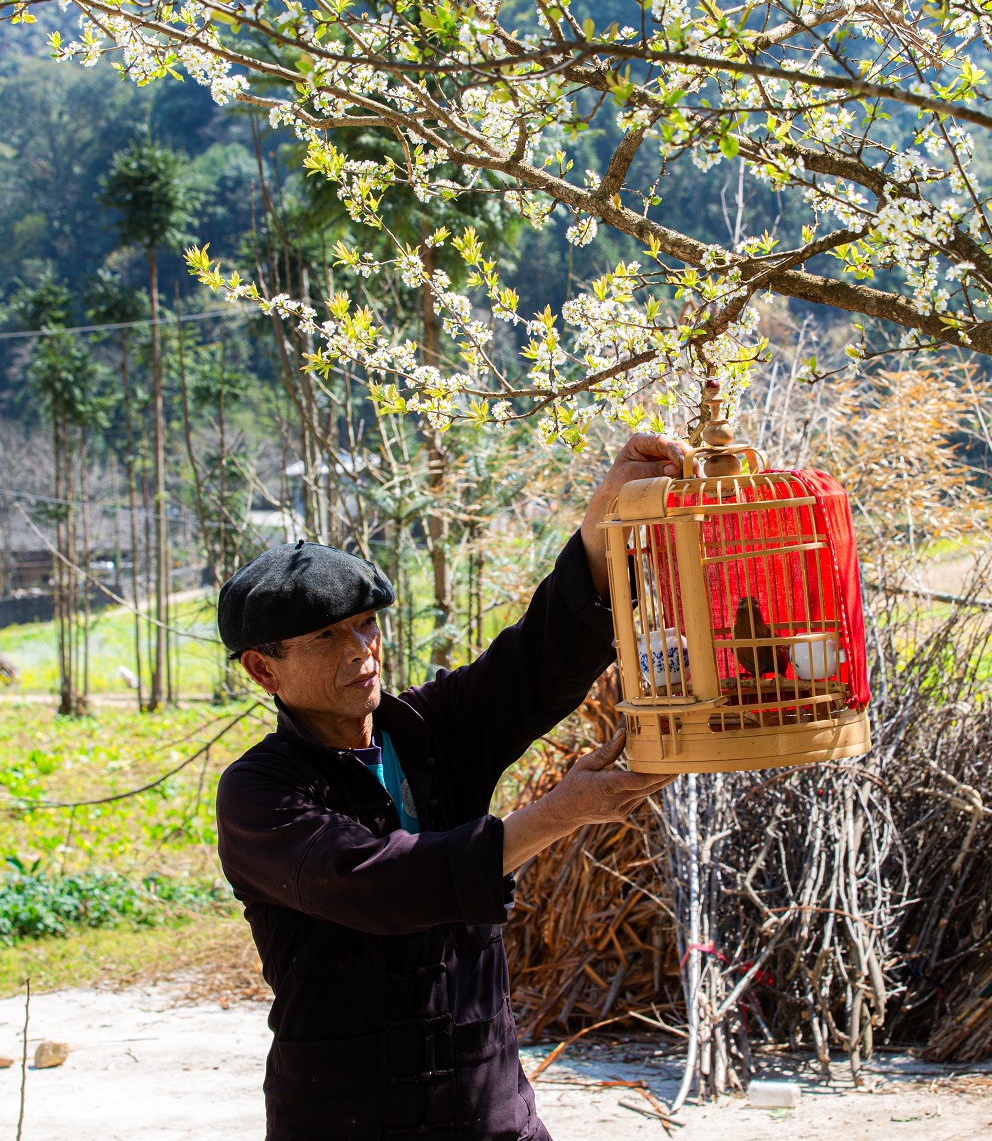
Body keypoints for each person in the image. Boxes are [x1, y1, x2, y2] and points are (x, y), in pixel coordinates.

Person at [215, 433, 687, 1141]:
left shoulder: (430, 730)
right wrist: (560, 814)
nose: (362, 651)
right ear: (263, 670)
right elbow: (384, 883)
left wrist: (604, 519)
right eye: (327, 639)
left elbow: (540, 656)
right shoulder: (261, 795)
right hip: (345, 1119)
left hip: (488, 1109)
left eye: (367, 625)